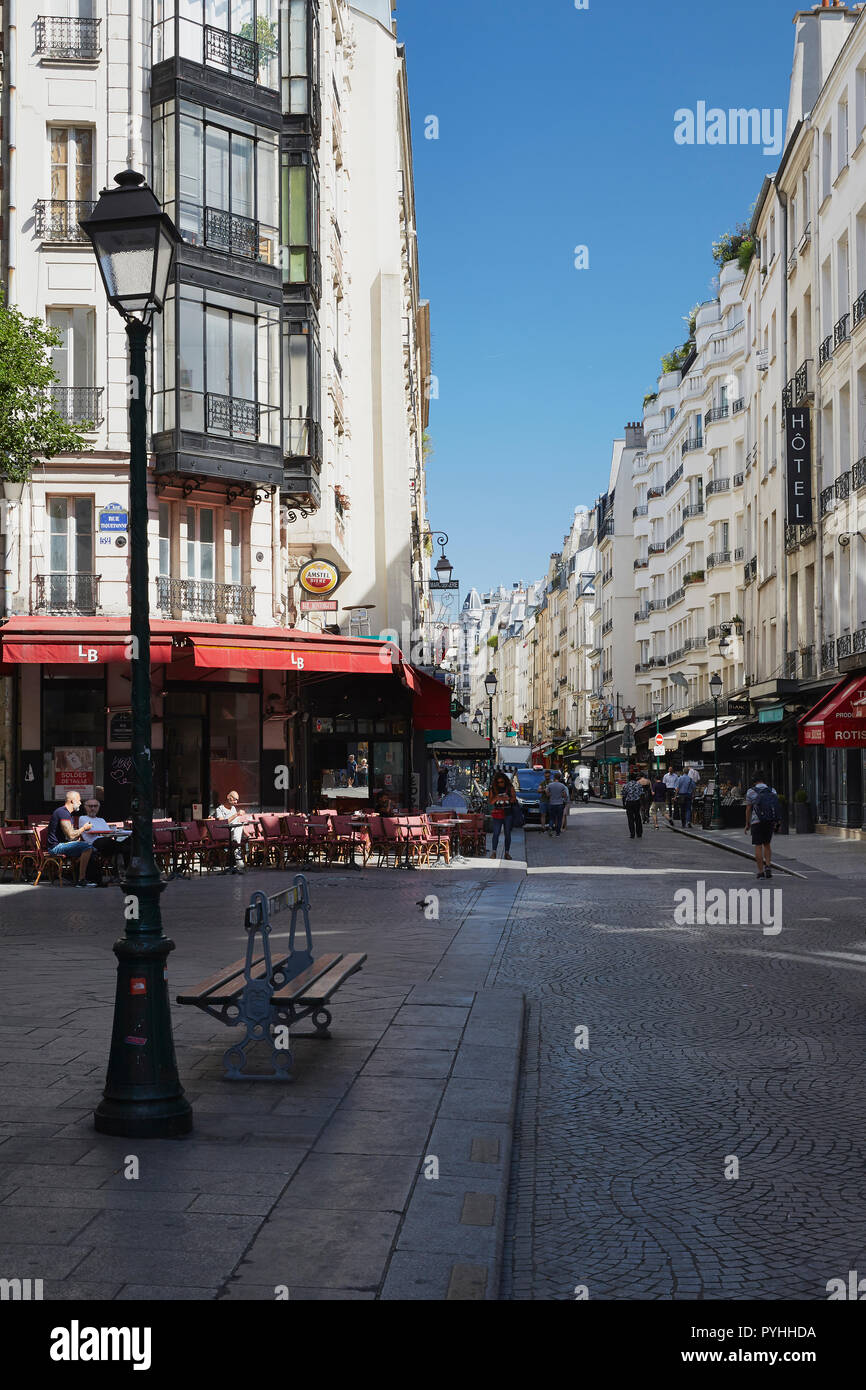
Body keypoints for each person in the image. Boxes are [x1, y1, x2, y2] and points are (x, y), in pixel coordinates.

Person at [46, 790, 95, 885]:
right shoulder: (63, 812)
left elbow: (71, 836)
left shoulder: (68, 814)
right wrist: (84, 828)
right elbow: (71, 835)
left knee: (91, 848)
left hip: (63, 844)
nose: (81, 803)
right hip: (55, 847)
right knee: (87, 847)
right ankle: (81, 880)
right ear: (72, 801)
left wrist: (77, 839)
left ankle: (69, 872)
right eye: (79, 800)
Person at [80, 796, 131, 885]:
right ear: (85, 807)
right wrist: (106, 832)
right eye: (90, 806)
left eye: (95, 806)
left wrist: (111, 832)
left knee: (130, 843)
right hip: (94, 843)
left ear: (98, 808)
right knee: (120, 846)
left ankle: (127, 873)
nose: (93, 808)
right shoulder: (83, 818)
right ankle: (120, 874)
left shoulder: (101, 820)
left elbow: (108, 833)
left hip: (107, 843)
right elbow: (92, 831)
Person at [744, 771, 781, 878]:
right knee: (767, 844)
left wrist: (747, 823)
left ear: (754, 781)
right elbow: (776, 806)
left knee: (758, 846)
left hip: (756, 822)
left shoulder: (750, 792)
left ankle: (760, 871)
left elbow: (748, 809)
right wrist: (777, 821)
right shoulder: (772, 790)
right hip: (769, 821)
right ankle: (768, 866)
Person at [215, 789, 246, 874]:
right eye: (235, 799)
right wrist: (236, 814)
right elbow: (222, 823)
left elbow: (236, 821)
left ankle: (236, 846)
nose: (236, 802)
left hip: (233, 832)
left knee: (239, 825)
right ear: (228, 797)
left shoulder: (233, 808)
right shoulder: (219, 809)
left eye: (237, 800)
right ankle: (238, 854)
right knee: (238, 827)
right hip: (223, 832)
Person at [488, 770, 517, 860]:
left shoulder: (509, 787)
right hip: (497, 813)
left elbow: (514, 799)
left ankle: (507, 852)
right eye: (498, 782)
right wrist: (497, 798)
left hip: (508, 813)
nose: (500, 783)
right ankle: (494, 852)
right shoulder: (493, 788)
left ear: (505, 780)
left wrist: (508, 798)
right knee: (496, 833)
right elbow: (491, 802)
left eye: (502, 782)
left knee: (507, 833)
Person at [620, 769, 648, 839]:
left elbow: (623, 795)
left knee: (630, 819)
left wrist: (624, 805)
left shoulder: (626, 785)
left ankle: (632, 833)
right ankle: (639, 833)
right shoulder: (638, 785)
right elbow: (642, 795)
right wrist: (643, 804)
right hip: (636, 802)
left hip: (629, 803)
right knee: (637, 817)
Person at [546, 772, 569, 836]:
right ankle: (557, 833)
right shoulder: (562, 786)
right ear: (559, 778)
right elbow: (565, 795)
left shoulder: (550, 785)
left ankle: (550, 826)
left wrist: (551, 795)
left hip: (552, 803)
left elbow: (547, 794)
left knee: (551, 818)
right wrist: (561, 796)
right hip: (559, 804)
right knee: (559, 819)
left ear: (554, 777)